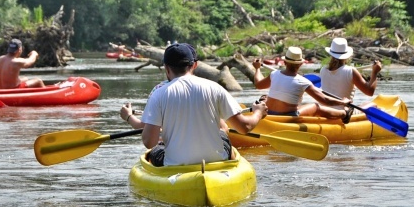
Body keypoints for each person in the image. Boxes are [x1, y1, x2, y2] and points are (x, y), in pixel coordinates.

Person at [118, 42, 267, 167]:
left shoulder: (158, 94)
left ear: (166, 68)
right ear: (194, 65)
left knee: (156, 149)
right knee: (223, 131)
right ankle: (232, 161)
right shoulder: (215, 87)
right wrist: (259, 112)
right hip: (215, 161)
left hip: (175, 165)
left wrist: (131, 118)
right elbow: (244, 127)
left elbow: (149, 142)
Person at [252, 46, 353, 122]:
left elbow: (258, 84)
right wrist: (342, 102)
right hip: (288, 117)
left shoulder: (274, 74)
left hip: (268, 113)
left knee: (266, 98)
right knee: (315, 107)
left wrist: (257, 69)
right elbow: (325, 100)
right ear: (300, 64)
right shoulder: (303, 82)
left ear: (285, 63)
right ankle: (344, 113)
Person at [319, 37, 382, 104]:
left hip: (325, 110)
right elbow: (369, 92)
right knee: (371, 104)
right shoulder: (350, 71)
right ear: (346, 55)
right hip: (343, 112)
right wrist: (375, 72)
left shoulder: (323, 70)